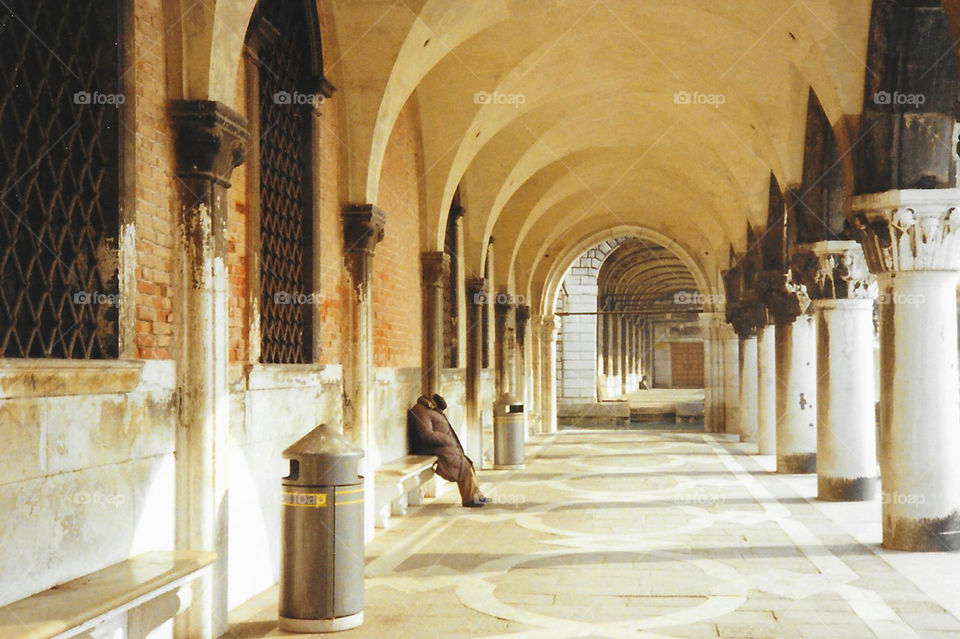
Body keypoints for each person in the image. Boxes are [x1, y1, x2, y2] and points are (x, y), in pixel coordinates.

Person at [408, 393, 490, 507]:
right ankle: (471, 499)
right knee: (462, 467)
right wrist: (447, 439)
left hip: (444, 447)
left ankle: (476, 496)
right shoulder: (421, 411)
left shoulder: (430, 410)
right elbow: (426, 434)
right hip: (435, 449)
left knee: (467, 464)